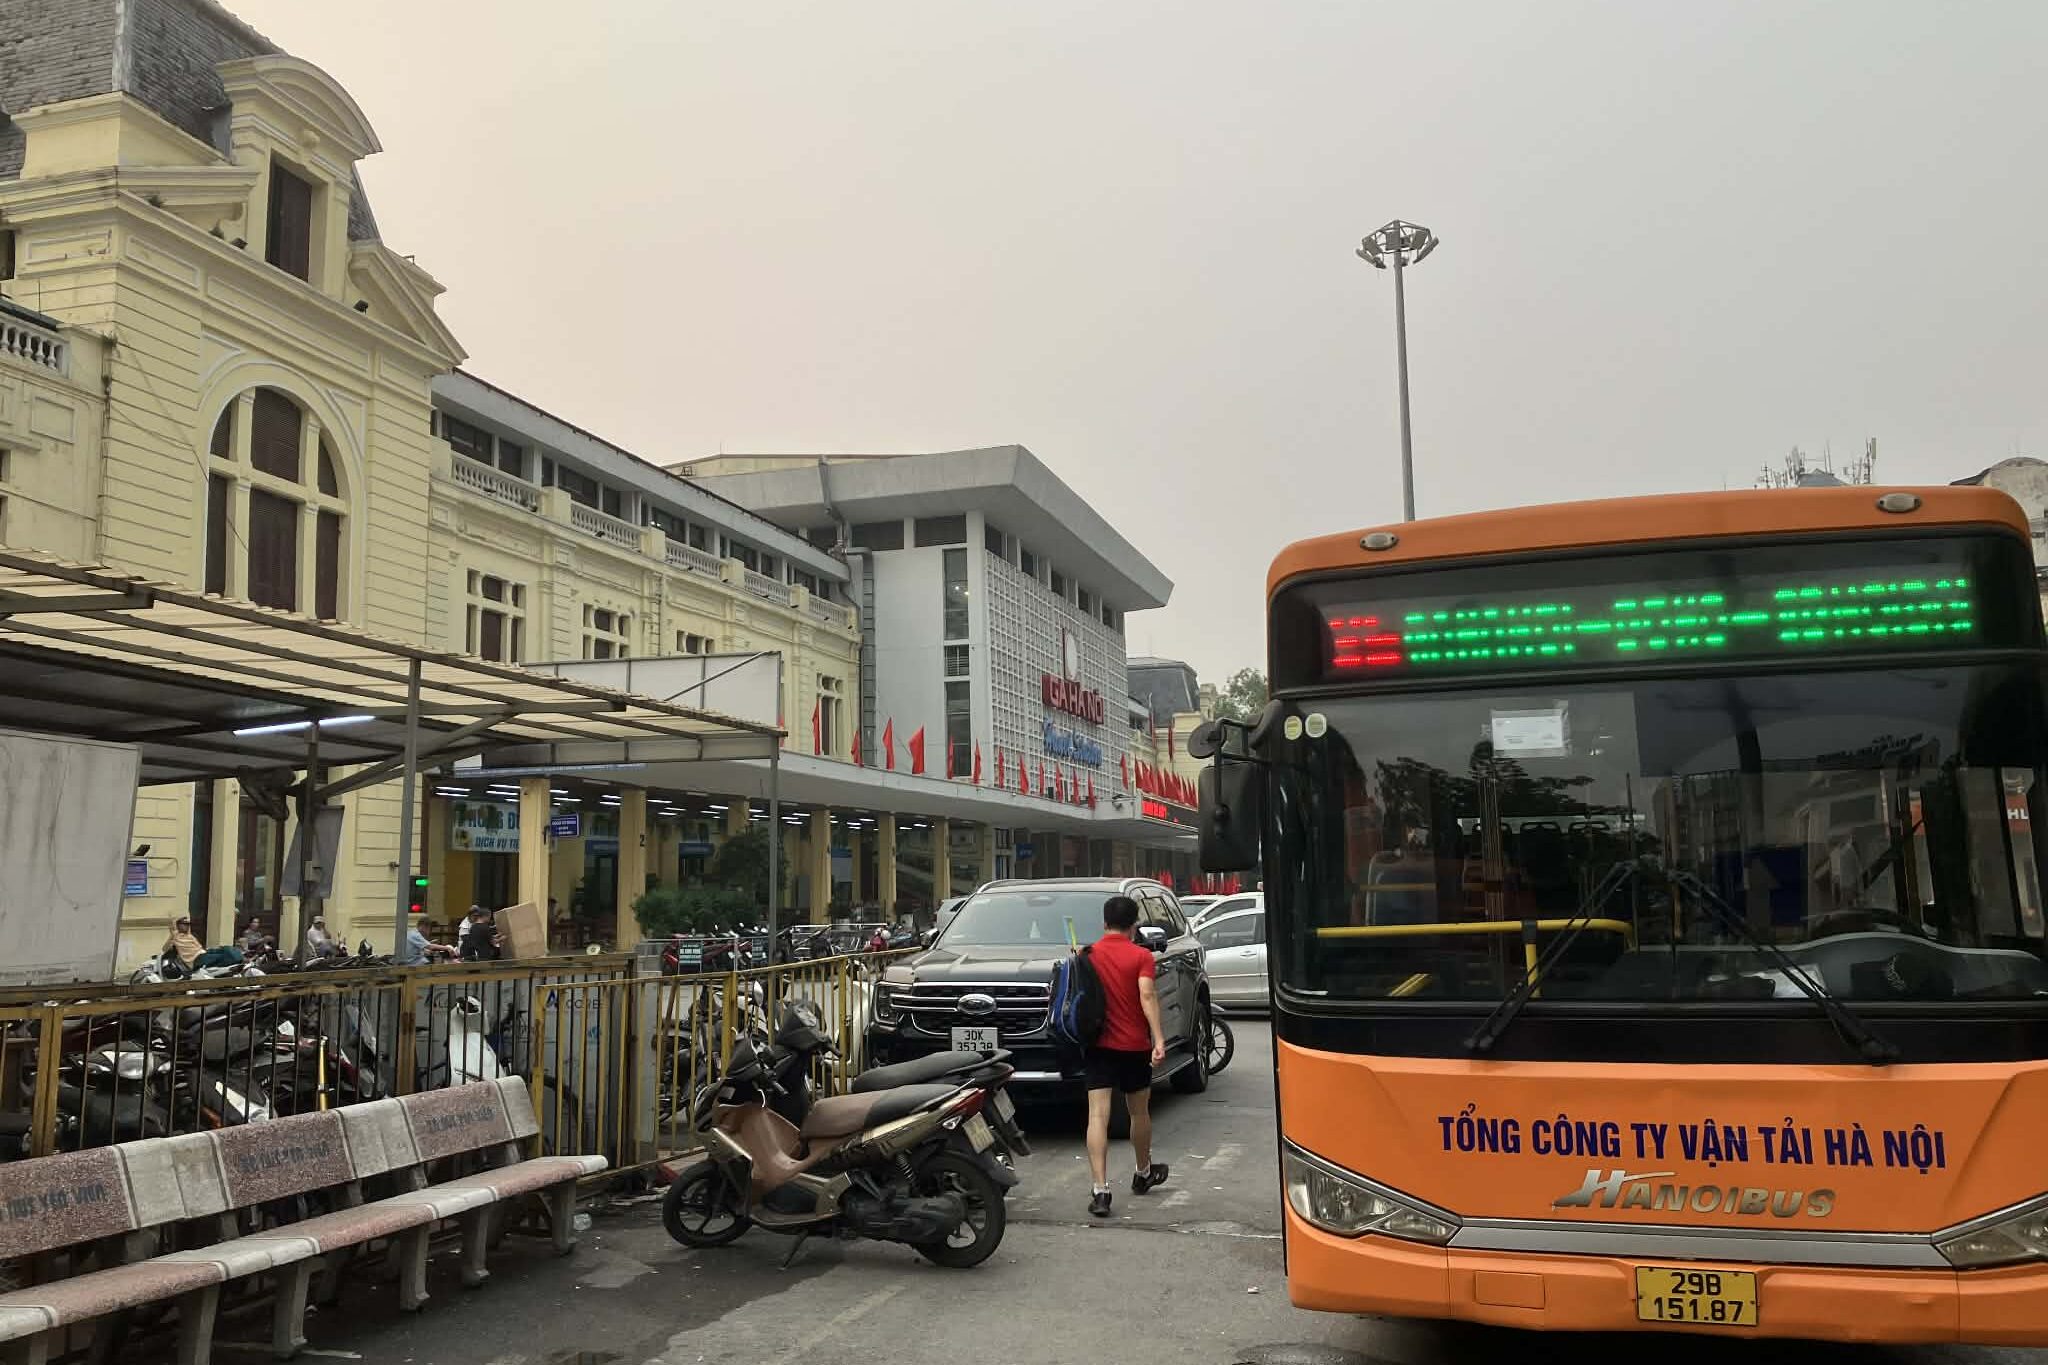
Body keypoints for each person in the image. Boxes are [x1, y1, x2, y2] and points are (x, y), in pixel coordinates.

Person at [1083, 894, 1169, 1219]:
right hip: (1134, 1046)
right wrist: (1158, 1038)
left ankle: (1100, 1189)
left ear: (1105, 923)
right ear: (1134, 926)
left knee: (1097, 1117)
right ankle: (1143, 1171)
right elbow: (1147, 994)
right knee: (1139, 1113)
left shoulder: (1086, 954)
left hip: (1097, 1045)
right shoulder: (1141, 956)